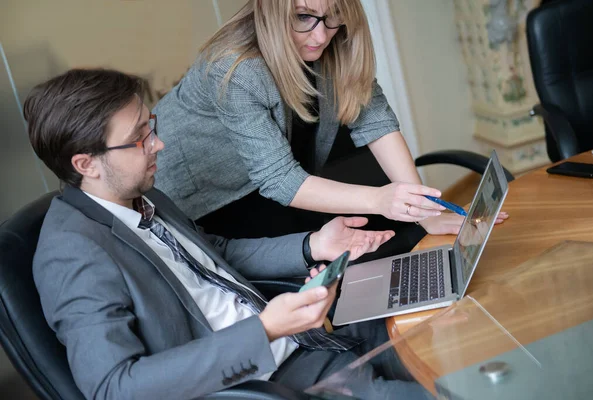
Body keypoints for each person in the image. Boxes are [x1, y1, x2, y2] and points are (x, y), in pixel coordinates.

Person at [26, 68, 431, 399]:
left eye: (151, 126)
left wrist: (313, 246)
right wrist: (265, 329)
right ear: (86, 164)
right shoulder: (72, 253)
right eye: (139, 138)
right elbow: (114, 388)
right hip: (265, 382)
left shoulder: (140, 195)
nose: (159, 144)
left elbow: (215, 253)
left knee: (434, 322)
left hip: (307, 342)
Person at [152, 0, 467, 255]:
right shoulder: (236, 68)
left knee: (382, 241)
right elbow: (279, 179)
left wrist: (426, 211)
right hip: (206, 195)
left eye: (335, 15)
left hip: (271, 177)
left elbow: (376, 121)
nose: (321, 36)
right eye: (304, 16)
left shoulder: (338, 42)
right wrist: (380, 200)